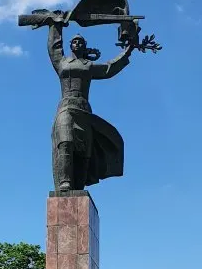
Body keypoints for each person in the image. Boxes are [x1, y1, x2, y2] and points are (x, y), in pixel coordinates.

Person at [47, 18, 136, 192]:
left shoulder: (88, 65)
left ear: (84, 46)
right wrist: (55, 25)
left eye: (80, 41)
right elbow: (54, 48)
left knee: (83, 152)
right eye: (74, 41)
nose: (77, 43)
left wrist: (129, 50)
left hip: (84, 111)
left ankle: (78, 185)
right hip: (66, 108)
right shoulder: (62, 63)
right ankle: (65, 182)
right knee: (65, 142)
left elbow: (110, 68)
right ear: (71, 46)